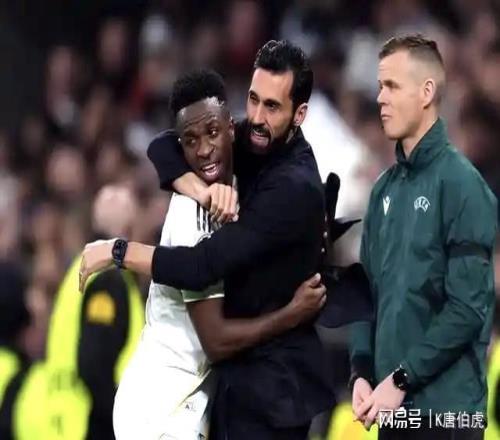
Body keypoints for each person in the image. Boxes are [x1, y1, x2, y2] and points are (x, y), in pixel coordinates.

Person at [80, 40, 336, 439]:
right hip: (181, 400)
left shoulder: (291, 187)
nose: (256, 117)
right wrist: (200, 191)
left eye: (272, 106)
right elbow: (162, 145)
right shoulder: (234, 156)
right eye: (253, 99)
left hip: (273, 390)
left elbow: (202, 266)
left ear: (299, 114)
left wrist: (117, 251)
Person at [349, 34, 497, 440]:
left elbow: (467, 309)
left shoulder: (463, 186)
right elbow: (365, 295)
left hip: (447, 417)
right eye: (379, 86)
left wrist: (401, 377)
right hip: (395, 414)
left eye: (392, 86)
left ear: (427, 92)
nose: (380, 98)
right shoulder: (383, 190)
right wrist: (360, 371)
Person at [45, 185, 144, 440]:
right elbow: (95, 364)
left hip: (65, 419)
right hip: (90, 424)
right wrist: (120, 422)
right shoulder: (107, 278)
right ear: (129, 229)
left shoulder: (81, 267)